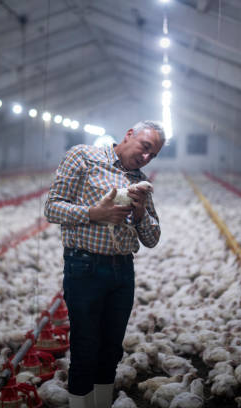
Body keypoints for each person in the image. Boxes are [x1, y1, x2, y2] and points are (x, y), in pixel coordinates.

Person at [44, 120, 165, 407]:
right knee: (85, 349)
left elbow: (153, 238)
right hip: (85, 267)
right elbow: (52, 207)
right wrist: (93, 213)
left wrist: (139, 215)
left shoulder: (140, 181)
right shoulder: (83, 156)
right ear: (129, 135)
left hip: (122, 270)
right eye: (145, 147)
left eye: (153, 155)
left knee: (111, 351)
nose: (146, 157)